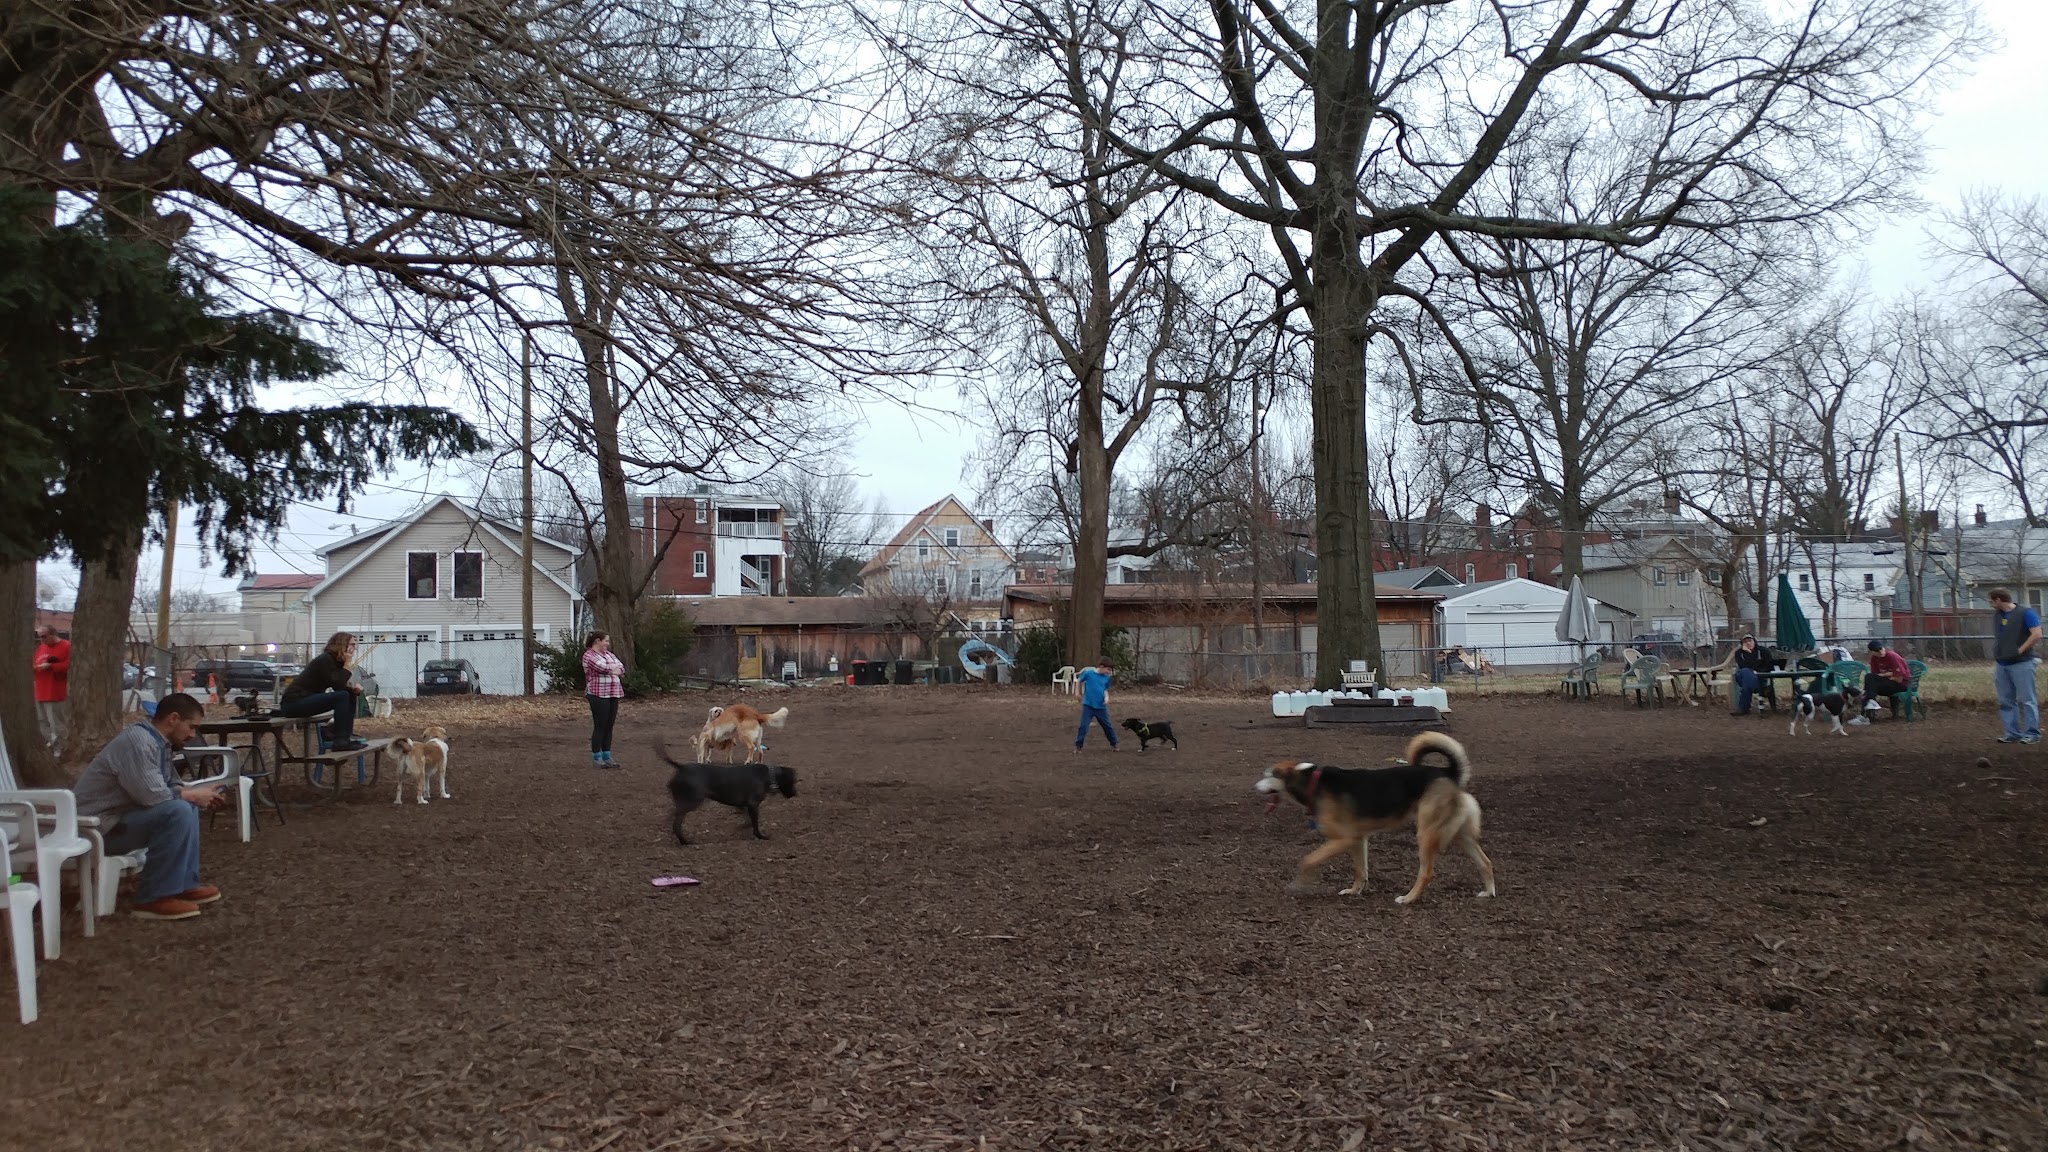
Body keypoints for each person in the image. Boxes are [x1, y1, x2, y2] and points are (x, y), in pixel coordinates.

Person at [71, 693, 228, 920]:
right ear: (173, 719)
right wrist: (192, 796)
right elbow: (152, 796)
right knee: (179, 810)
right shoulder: (139, 743)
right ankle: (153, 898)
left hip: (117, 821)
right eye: (191, 727)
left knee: (186, 807)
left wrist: (199, 795)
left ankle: (182, 883)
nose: (193, 735)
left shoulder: (159, 743)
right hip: (94, 829)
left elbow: (170, 784)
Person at [280, 632, 366, 751]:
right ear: (342, 644)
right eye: (352, 644)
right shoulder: (325, 659)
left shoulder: (335, 661)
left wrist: (354, 690)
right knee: (343, 696)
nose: (354, 648)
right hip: (294, 702)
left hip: (308, 698)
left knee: (349, 694)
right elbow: (338, 684)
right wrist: (347, 665)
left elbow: (338, 686)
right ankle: (339, 741)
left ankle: (346, 737)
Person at [1988, 587, 2041, 745]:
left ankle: (2032, 733)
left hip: (2022, 663)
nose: (1990, 604)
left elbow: (2037, 633)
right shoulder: (1998, 615)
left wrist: (2020, 650)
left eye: (1991, 601)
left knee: (2027, 699)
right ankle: (2012, 733)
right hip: (2002, 663)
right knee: (2006, 700)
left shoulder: (2025, 613)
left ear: (1999, 599)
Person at [582, 631, 625, 767]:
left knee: (609, 725)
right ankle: (597, 757)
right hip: (597, 694)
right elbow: (602, 668)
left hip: (613, 693)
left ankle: (607, 756)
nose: (607, 643)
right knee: (600, 725)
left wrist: (614, 669)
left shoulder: (609, 655)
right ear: (597, 641)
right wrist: (612, 669)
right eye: (606, 641)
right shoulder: (589, 655)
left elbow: (621, 668)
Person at [1849, 640, 1912, 725]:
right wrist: (1889, 674)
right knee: (1869, 680)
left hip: (1901, 685)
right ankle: (1869, 706)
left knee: (1869, 686)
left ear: (1883, 648)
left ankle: (1865, 716)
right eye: (1877, 651)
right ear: (1872, 652)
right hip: (1888, 683)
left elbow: (1898, 678)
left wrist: (1884, 675)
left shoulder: (1893, 656)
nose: (1880, 652)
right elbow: (1875, 675)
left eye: (1881, 649)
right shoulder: (1874, 658)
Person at [32, 623, 70, 756]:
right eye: (39, 637)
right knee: (42, 721)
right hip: (39, 691)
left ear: (53, 634)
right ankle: (52, 741)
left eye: (44, 637)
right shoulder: (41, 648)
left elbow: (69, 665)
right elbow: (34, 664)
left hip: (54, 691)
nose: (42, 640)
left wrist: (51, 666)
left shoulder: (66, 646)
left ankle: (60, 749)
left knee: (55, 722)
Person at [1072, 658, 1119, 752]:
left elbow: (1104, 689)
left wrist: (1106, 698)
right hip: (1088, 705)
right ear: (1101, 667)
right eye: (1108, 669)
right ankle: (1078, 746)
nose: (1108, 672)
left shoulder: (1106, 678)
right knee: (1083, 726)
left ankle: (1114, 744)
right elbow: (1078, 681)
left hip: (1101, 706)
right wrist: (1077, 693)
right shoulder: (1088, 673)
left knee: (1107, 726)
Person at [1731, 634, 1775, 715]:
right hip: (1746, 677)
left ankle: (1743, 708)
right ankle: (1759, 689)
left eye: (1750, 641)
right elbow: (1743, 666)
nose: (1748, 643)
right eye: (1745, 642)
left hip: (1760, 678)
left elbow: (1769, 666)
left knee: (1746, 684)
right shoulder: (1739, 653)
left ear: (1754, 641)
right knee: (1744, 672)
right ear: (1742, 644)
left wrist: (1757, 672)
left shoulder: (1763, 651)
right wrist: (1748, 653)